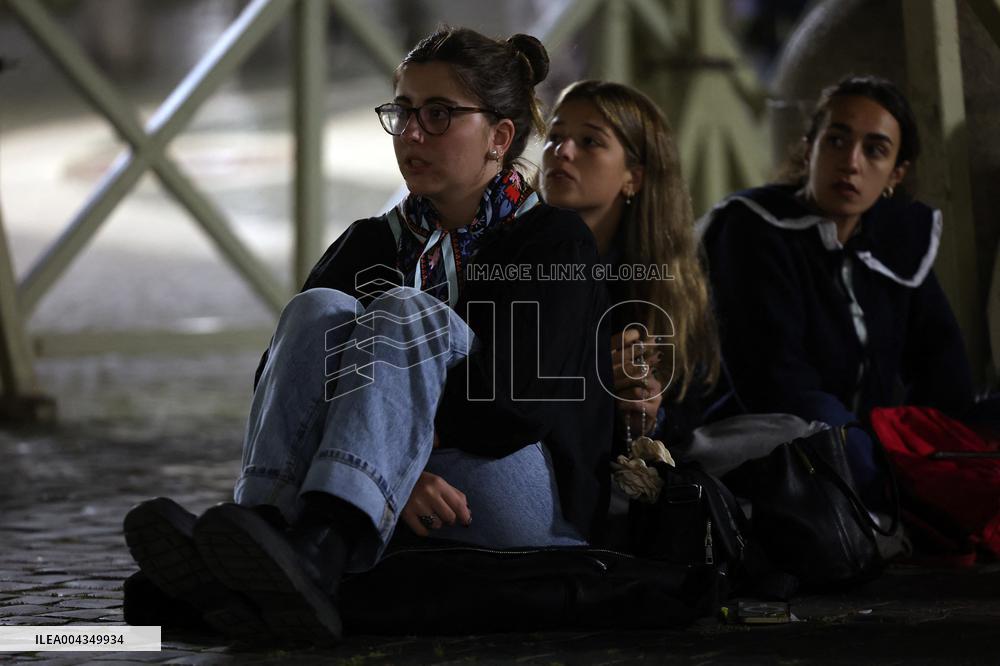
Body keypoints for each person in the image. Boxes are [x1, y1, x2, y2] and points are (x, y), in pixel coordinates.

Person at [123, 26, 613, 644]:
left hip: (513, 488)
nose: (412, 134)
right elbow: (283, 384)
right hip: (389, 485)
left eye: (439, 114)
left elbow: (517, 406)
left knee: (403, 310)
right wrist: (390, 474)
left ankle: (323, 541)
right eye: (403, 112)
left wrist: (398, 465)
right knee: (317, 309)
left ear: (499, 137)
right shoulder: (370, 241)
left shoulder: (553, 241)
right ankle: (269, 535)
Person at [698, 75, 976, 503]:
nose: (851, 162)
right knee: (829, 430)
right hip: (771, 439)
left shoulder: (898, 240)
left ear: (896, 173)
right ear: (810, 147)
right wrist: (879, 456)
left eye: (875, 150)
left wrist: (930, 441)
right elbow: (776, 380)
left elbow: (942, 367)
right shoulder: (753, 228)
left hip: (865, 439)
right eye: (836, 141)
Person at [540, 80, 720, 455]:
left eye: (589, 141)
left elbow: (690, 411)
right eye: (555, 136)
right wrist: (591, 378)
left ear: (632, 178)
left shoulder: (669, 284)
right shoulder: (510, 256)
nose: (562, 151)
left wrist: (649, 416)